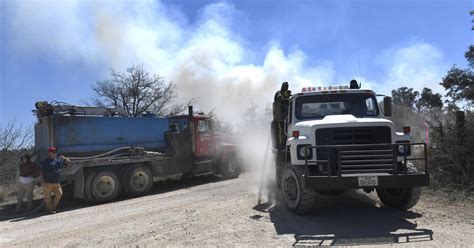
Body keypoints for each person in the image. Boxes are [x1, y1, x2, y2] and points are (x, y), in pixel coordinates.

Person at [40, 147, 70, 214]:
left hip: (56, 182)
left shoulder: (58, 161)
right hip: (47, 182)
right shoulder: (45, 161)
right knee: (48, 197)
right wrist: (42, 180)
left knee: (59, 194)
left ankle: (53, 207)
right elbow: (41, 171)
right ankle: (49, 210)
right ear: (49, 153)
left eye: (55, 152)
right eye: (53, 152)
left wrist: (65, 158)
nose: (54, 154)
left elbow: (67, 164)